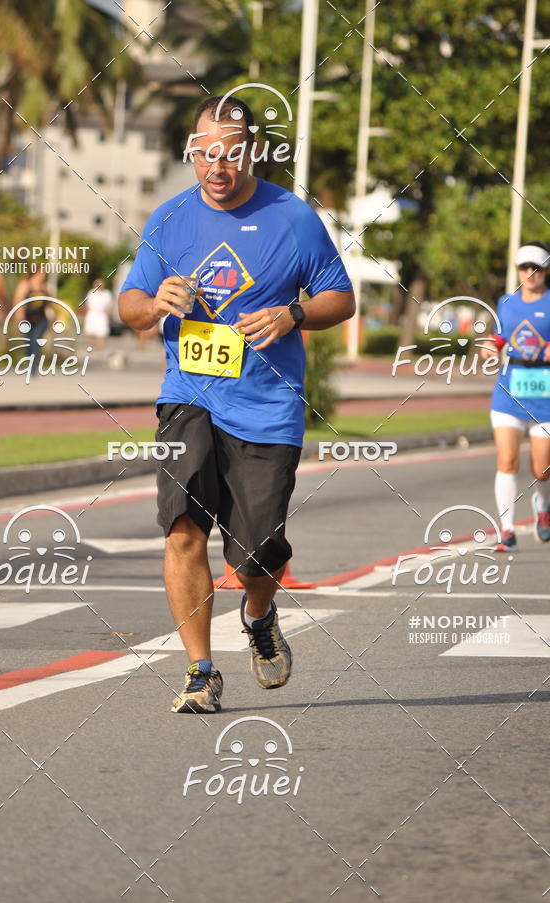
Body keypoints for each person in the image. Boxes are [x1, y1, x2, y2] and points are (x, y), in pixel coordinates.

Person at [119, 95, 354, 714]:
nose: (216, 167)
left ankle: (259, 613)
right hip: (188, 397)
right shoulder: (170, 219)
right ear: (192, 152)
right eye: (205, 154)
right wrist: (155, 303)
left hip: (268, 406)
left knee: (257, 555)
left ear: (251, 152)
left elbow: (341, 297)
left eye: (229, 154)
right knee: (182, 529)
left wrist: (293, 313)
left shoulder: (291, 216)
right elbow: (130, 304)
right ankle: (201, 671)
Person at [481, 241, 550, 551]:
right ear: (517, 270)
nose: (530, 273)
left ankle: (543, 506)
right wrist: (489, 346)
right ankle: (506, 531)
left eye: (537, 268)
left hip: (545, 397)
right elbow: (499, 335)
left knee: (542, 469)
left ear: (546, 270)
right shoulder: (506, 302)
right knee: (507, 460)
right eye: (525, 267)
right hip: (509, 392)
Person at [12, 269, 53, 368]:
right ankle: (30, 360)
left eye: (44, 273)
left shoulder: (45, 287)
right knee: (28, 342)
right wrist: (19, 317)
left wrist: (52, 316)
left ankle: (33, 365)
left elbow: (50, 303)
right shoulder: (25, 285)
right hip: (27, 319)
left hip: (41, 319)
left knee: (35, 339)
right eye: (41, 273)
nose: (43, 275)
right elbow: (18, 301)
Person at [83, 278, 113, 349]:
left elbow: (110, 304)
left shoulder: (107, 293)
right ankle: (91, 345)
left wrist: (108, 311)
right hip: (92, 313)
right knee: (90, 330)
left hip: (102, 314)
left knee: (102, 331)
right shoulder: (91, 293)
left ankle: (100, 346)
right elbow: (87, 303)